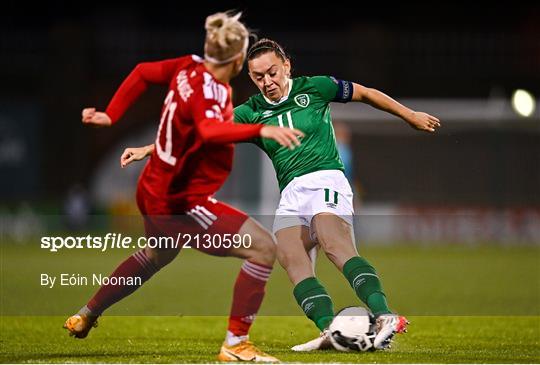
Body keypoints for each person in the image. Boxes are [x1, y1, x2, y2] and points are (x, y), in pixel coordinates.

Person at [124, 38, 441, 352]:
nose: (267, 81)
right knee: (289, 257)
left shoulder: (316, 87)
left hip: (325, 178)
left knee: (333, 243)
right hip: (291, 192)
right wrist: (150, 149)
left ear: (286, 65)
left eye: (272, 72)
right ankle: (331, 330)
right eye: (258, 77)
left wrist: (409, 115)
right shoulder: (252, 111)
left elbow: (366, 93)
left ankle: (386, 316)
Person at [63, 14, 304, 363]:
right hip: (182, 200)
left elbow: (144, 72)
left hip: (153, 186)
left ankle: (86, 313)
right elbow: (208, 130)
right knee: (264, 248)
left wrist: (112, 114)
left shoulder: (189, 67)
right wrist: (260, 131)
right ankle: (236, 344)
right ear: (238, 61)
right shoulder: (214, 91)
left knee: (157, 255)